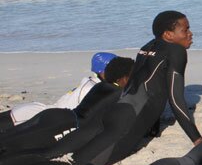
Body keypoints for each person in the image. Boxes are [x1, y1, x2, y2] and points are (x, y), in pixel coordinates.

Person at [0, 11, 202, 165]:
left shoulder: (147, 47)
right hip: (127, 123)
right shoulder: (176, 51)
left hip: (111, 113)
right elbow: (176, 99)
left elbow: (142, 85)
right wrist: (196, 138)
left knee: (48, 152)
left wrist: (153, 128)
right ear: (168, 34)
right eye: (185, 30)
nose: (190, 34)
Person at [0, 57, 134, 158]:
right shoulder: (95, 88)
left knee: (9, 138)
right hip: (36, 114)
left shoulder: (89, 82)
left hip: (40, 111)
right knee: (13, 143)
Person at [0, 52, 117, 131]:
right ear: (101, 71)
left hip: (36, 111)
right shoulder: (92, 88)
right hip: (33, 116)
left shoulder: (91, 82)